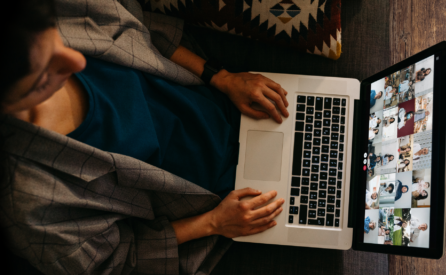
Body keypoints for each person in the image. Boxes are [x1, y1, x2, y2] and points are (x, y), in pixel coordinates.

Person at [0, 0, 289, 274]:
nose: (76, 59)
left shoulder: (37, 11)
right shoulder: (28, 201)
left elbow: (138, 25)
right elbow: (114, 262)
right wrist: (213, 223)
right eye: (44, 76)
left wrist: (220, 77)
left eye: (55, 41)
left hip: (228, 100)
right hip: (225, 203)